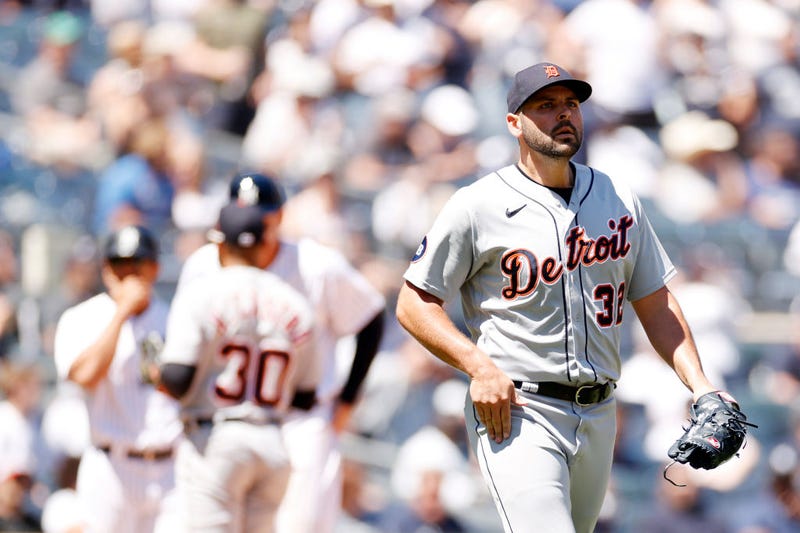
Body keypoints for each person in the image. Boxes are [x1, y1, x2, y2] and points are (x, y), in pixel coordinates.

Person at [395, 62, 733, 533]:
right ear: (514, 122)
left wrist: (702, 388)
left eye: (571, 104)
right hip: (519, 410)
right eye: (546, 105)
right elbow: (414, 303)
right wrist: (479, 366)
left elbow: (655, 302)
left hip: (600, 413)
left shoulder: (616, 196)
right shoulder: (478, 205)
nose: (564, 114)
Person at [175, 172, 386, 533]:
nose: (255, 222)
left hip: (300, 419)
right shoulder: (203, 263)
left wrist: (347, 400)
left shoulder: (316, 264)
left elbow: (371, 317)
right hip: (220, 419)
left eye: (264, 215)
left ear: (280, 216)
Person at [158, 202, 321, 532]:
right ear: (265, 245)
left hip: (216, 438)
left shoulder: (201, 292)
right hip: (273, 444)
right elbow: (305, 397)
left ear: (219, 244)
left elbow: (177, 378)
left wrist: (152, 373)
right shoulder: (297, 304)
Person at [53, 225, 183, 533]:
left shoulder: (175, 319)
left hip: (170, 469)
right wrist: (122, 312)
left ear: (155, 268)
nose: (128, 274)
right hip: (111, 467)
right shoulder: (82, 317)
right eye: (119, 265)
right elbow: (84, 376)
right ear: (106, 269)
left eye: (136, 265)